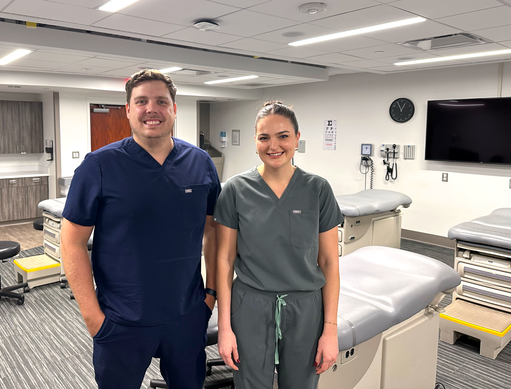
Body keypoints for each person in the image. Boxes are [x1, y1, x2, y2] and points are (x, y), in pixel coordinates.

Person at [60, 69, 221, 389]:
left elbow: (213, 231)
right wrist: (93, 316)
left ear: (174, 109)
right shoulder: (99, 166)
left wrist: (210, 296)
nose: (152, 109)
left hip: (186, 315)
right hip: (121, 320)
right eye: (142, 101)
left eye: (162, 101)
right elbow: (71, 242)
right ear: (128, 110)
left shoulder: (200, 162)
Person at [214, 101, 342, 389]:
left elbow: (330, 262)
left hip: (306, 308)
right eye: (264, 137)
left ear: (297, 139)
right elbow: (224, 260)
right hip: (250, 306)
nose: (274, 145)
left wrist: (330, 330)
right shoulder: (235, 190)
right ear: (255, 142)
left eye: (283, 136)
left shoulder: (318, 189)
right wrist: (225, 327)